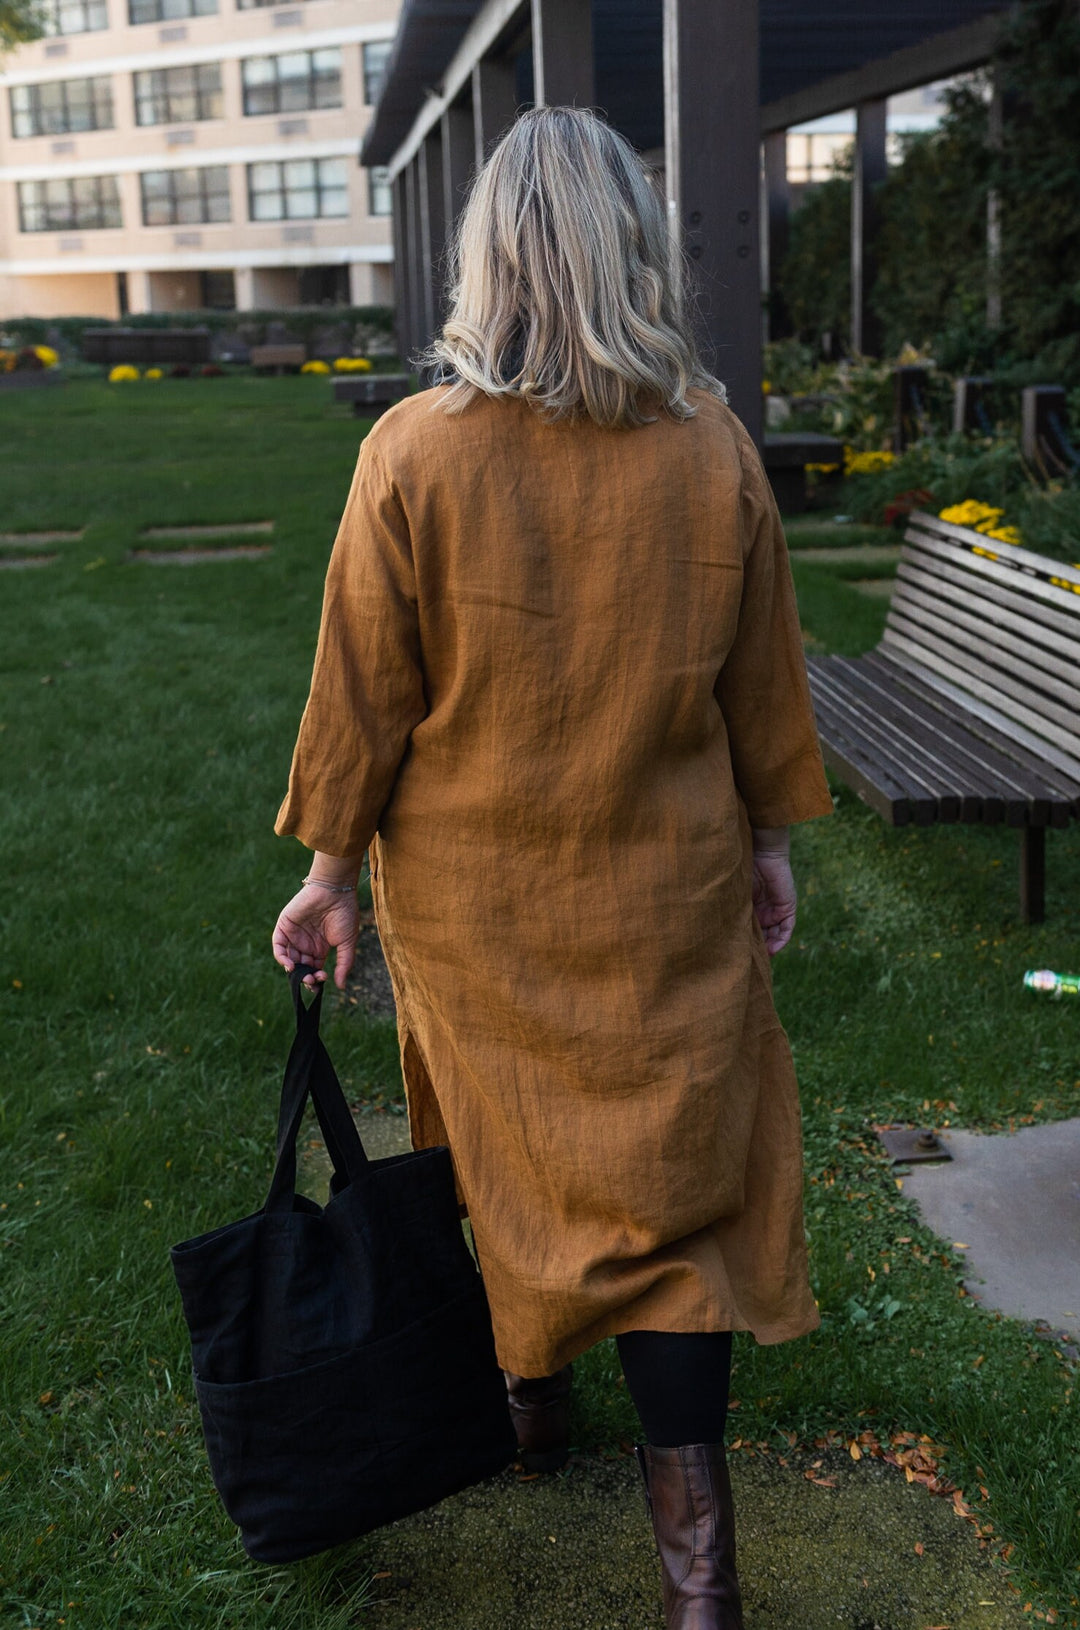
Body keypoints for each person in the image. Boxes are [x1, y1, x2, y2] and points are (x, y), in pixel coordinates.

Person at [272, 105, 833, 1630]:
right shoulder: (710, 446)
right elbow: (764, 685)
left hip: (472, 903)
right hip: (663, 893)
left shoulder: (411, 453)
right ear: (631, 251)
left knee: (505, 1145)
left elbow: (359, 696)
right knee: (673, 1208)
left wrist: (329, 874)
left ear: (488, 260)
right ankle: (695, 1564)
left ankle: (530, 1399)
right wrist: (770, 842)